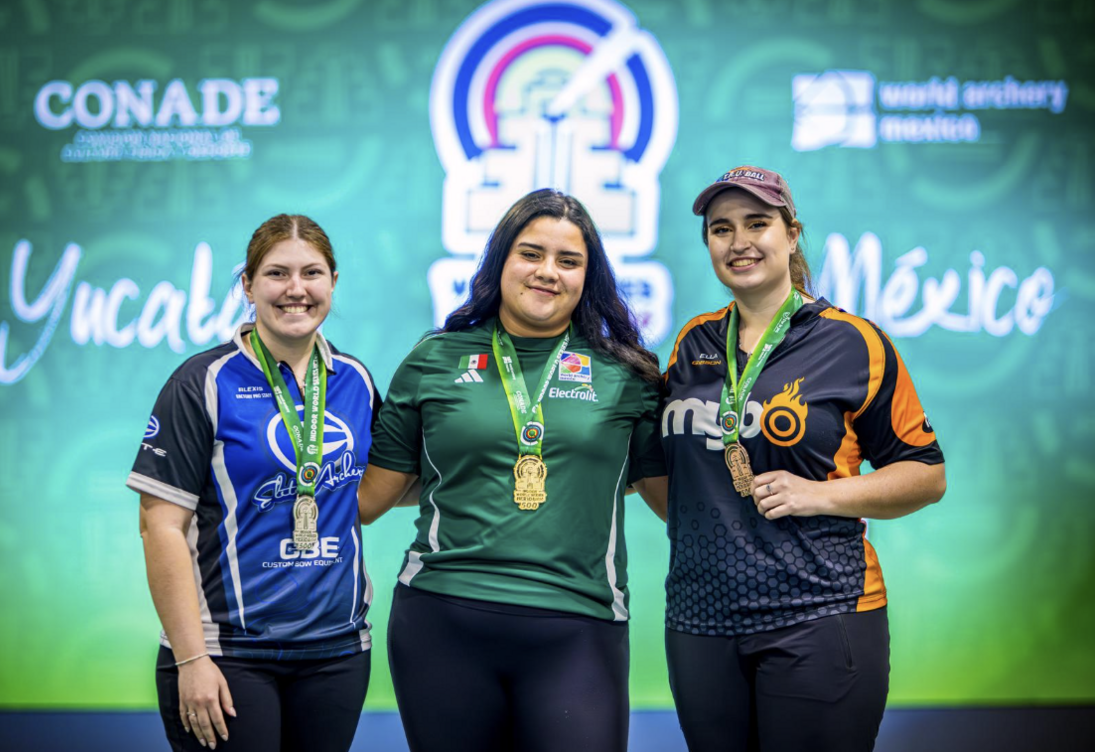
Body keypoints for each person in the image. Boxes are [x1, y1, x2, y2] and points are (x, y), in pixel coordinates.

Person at [359, 189, 668, 752]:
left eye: (568, 261)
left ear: (588, 277)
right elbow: (373, 497)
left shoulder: (628, 376)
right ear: (500, 260)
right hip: (442, 618)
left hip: (580, 623)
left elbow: (673, 503)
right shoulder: (434, 359)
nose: (547, 272)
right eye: (530, 253)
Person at [661, 166, 946, 751]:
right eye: (721, 229)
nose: (739, 242)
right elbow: (670, 469)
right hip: (700, 619)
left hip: (818, 611)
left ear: (791, 235)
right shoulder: (692, 342)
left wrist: (819, 494)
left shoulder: (853, 342)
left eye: (757, 224)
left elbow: (926, 474)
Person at [129, 214, 377, 752]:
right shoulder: (202, 381)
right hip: (227, 654)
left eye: (312, 273)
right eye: (277, 273)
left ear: (333, 281)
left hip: (335, 653)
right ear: (248, 284)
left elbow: (376, 489)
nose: (296, 289)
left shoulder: (355, 380)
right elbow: (160, 527)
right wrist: (192, 659)